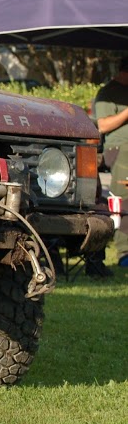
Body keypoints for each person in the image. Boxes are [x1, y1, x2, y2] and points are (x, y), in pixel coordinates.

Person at [93, 55, 128, 269]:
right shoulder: (107, 93)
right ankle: (125, 252)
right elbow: (103, 126)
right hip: (121, 150)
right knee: (125, 197)